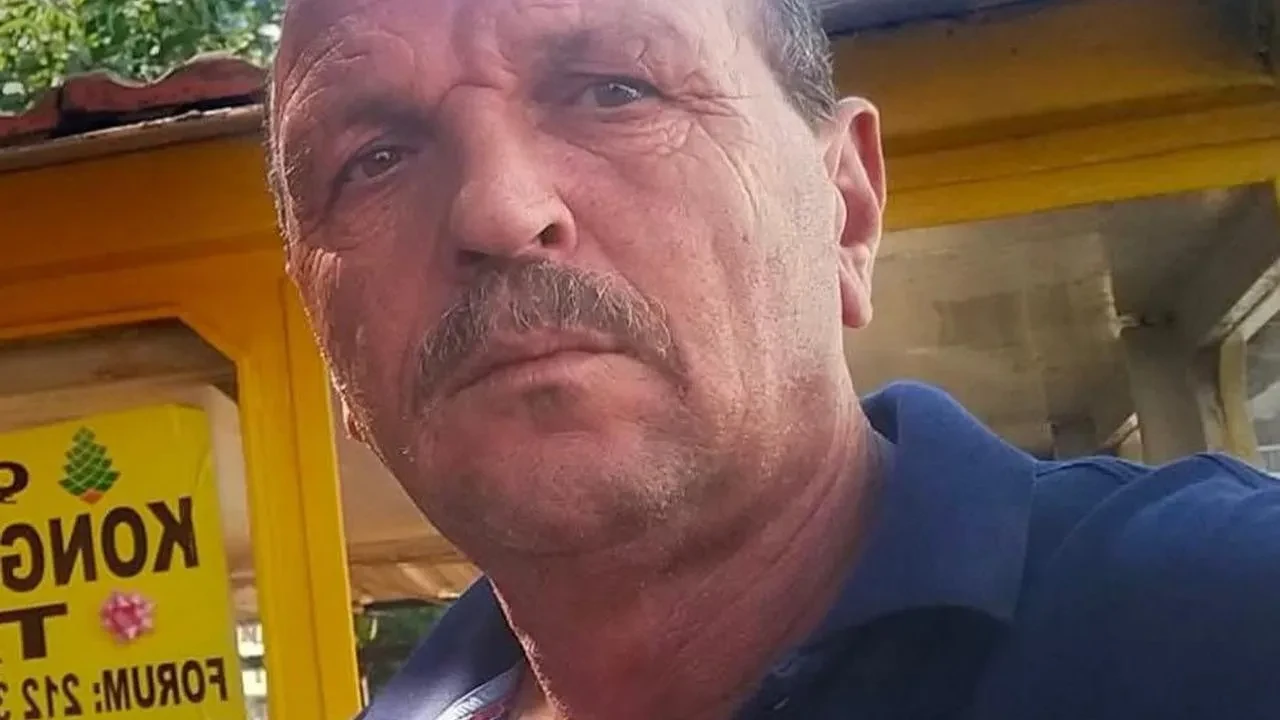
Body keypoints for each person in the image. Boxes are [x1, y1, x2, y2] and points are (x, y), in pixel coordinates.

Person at [266, 0, 1280, 717]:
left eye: (614, 90)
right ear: (325, 337)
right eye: (374, 162)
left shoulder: (1226, 621)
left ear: (846, 208)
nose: (496, 208)